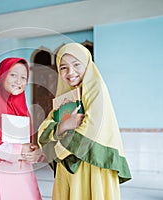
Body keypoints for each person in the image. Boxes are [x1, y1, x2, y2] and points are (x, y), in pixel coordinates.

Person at [38, 43, 132, 200]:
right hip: (68, 165)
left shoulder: (96, 88)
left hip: (91, 162)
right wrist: (63, 125)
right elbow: (45, 128)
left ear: (87, 65)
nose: (70, 72)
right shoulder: (65, 95)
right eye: (63, 67)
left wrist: (59, 148)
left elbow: (94, 126)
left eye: (76, 64)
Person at [0, 57, 42, 200]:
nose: (19, 81)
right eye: (13, 75)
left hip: (24, 173)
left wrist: (35, 153)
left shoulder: (23, 110)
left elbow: (26, 144)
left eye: (24, 77)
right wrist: (20, 149)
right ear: (2, 75)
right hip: (0, 174)